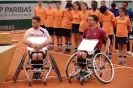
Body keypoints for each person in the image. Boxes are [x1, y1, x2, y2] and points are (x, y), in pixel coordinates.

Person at [76, 15, 110, 80]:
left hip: (96, 49)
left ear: (95, 21)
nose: (88, 21)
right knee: (78, 54)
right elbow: (84, 38)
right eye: (88, 20)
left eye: (90, 20)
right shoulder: (86, 29)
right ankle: (83, 69)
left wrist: (105, 50)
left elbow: (108, 40)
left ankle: (84, 71)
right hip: (87, 48)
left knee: (83, 54)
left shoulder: (101, 30)